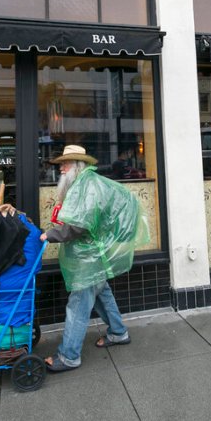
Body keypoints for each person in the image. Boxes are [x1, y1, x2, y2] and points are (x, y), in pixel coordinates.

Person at [39, 145, 149, 372]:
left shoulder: (87, 186)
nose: (60, 169)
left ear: (77, 165)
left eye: (64, 164)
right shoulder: (86, 183)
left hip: (88, 258)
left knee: (78, 304)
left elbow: (80, 224)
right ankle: (118, 333)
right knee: (101, 293)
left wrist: (50, 235)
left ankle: (69, 356)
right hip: (94, 255)